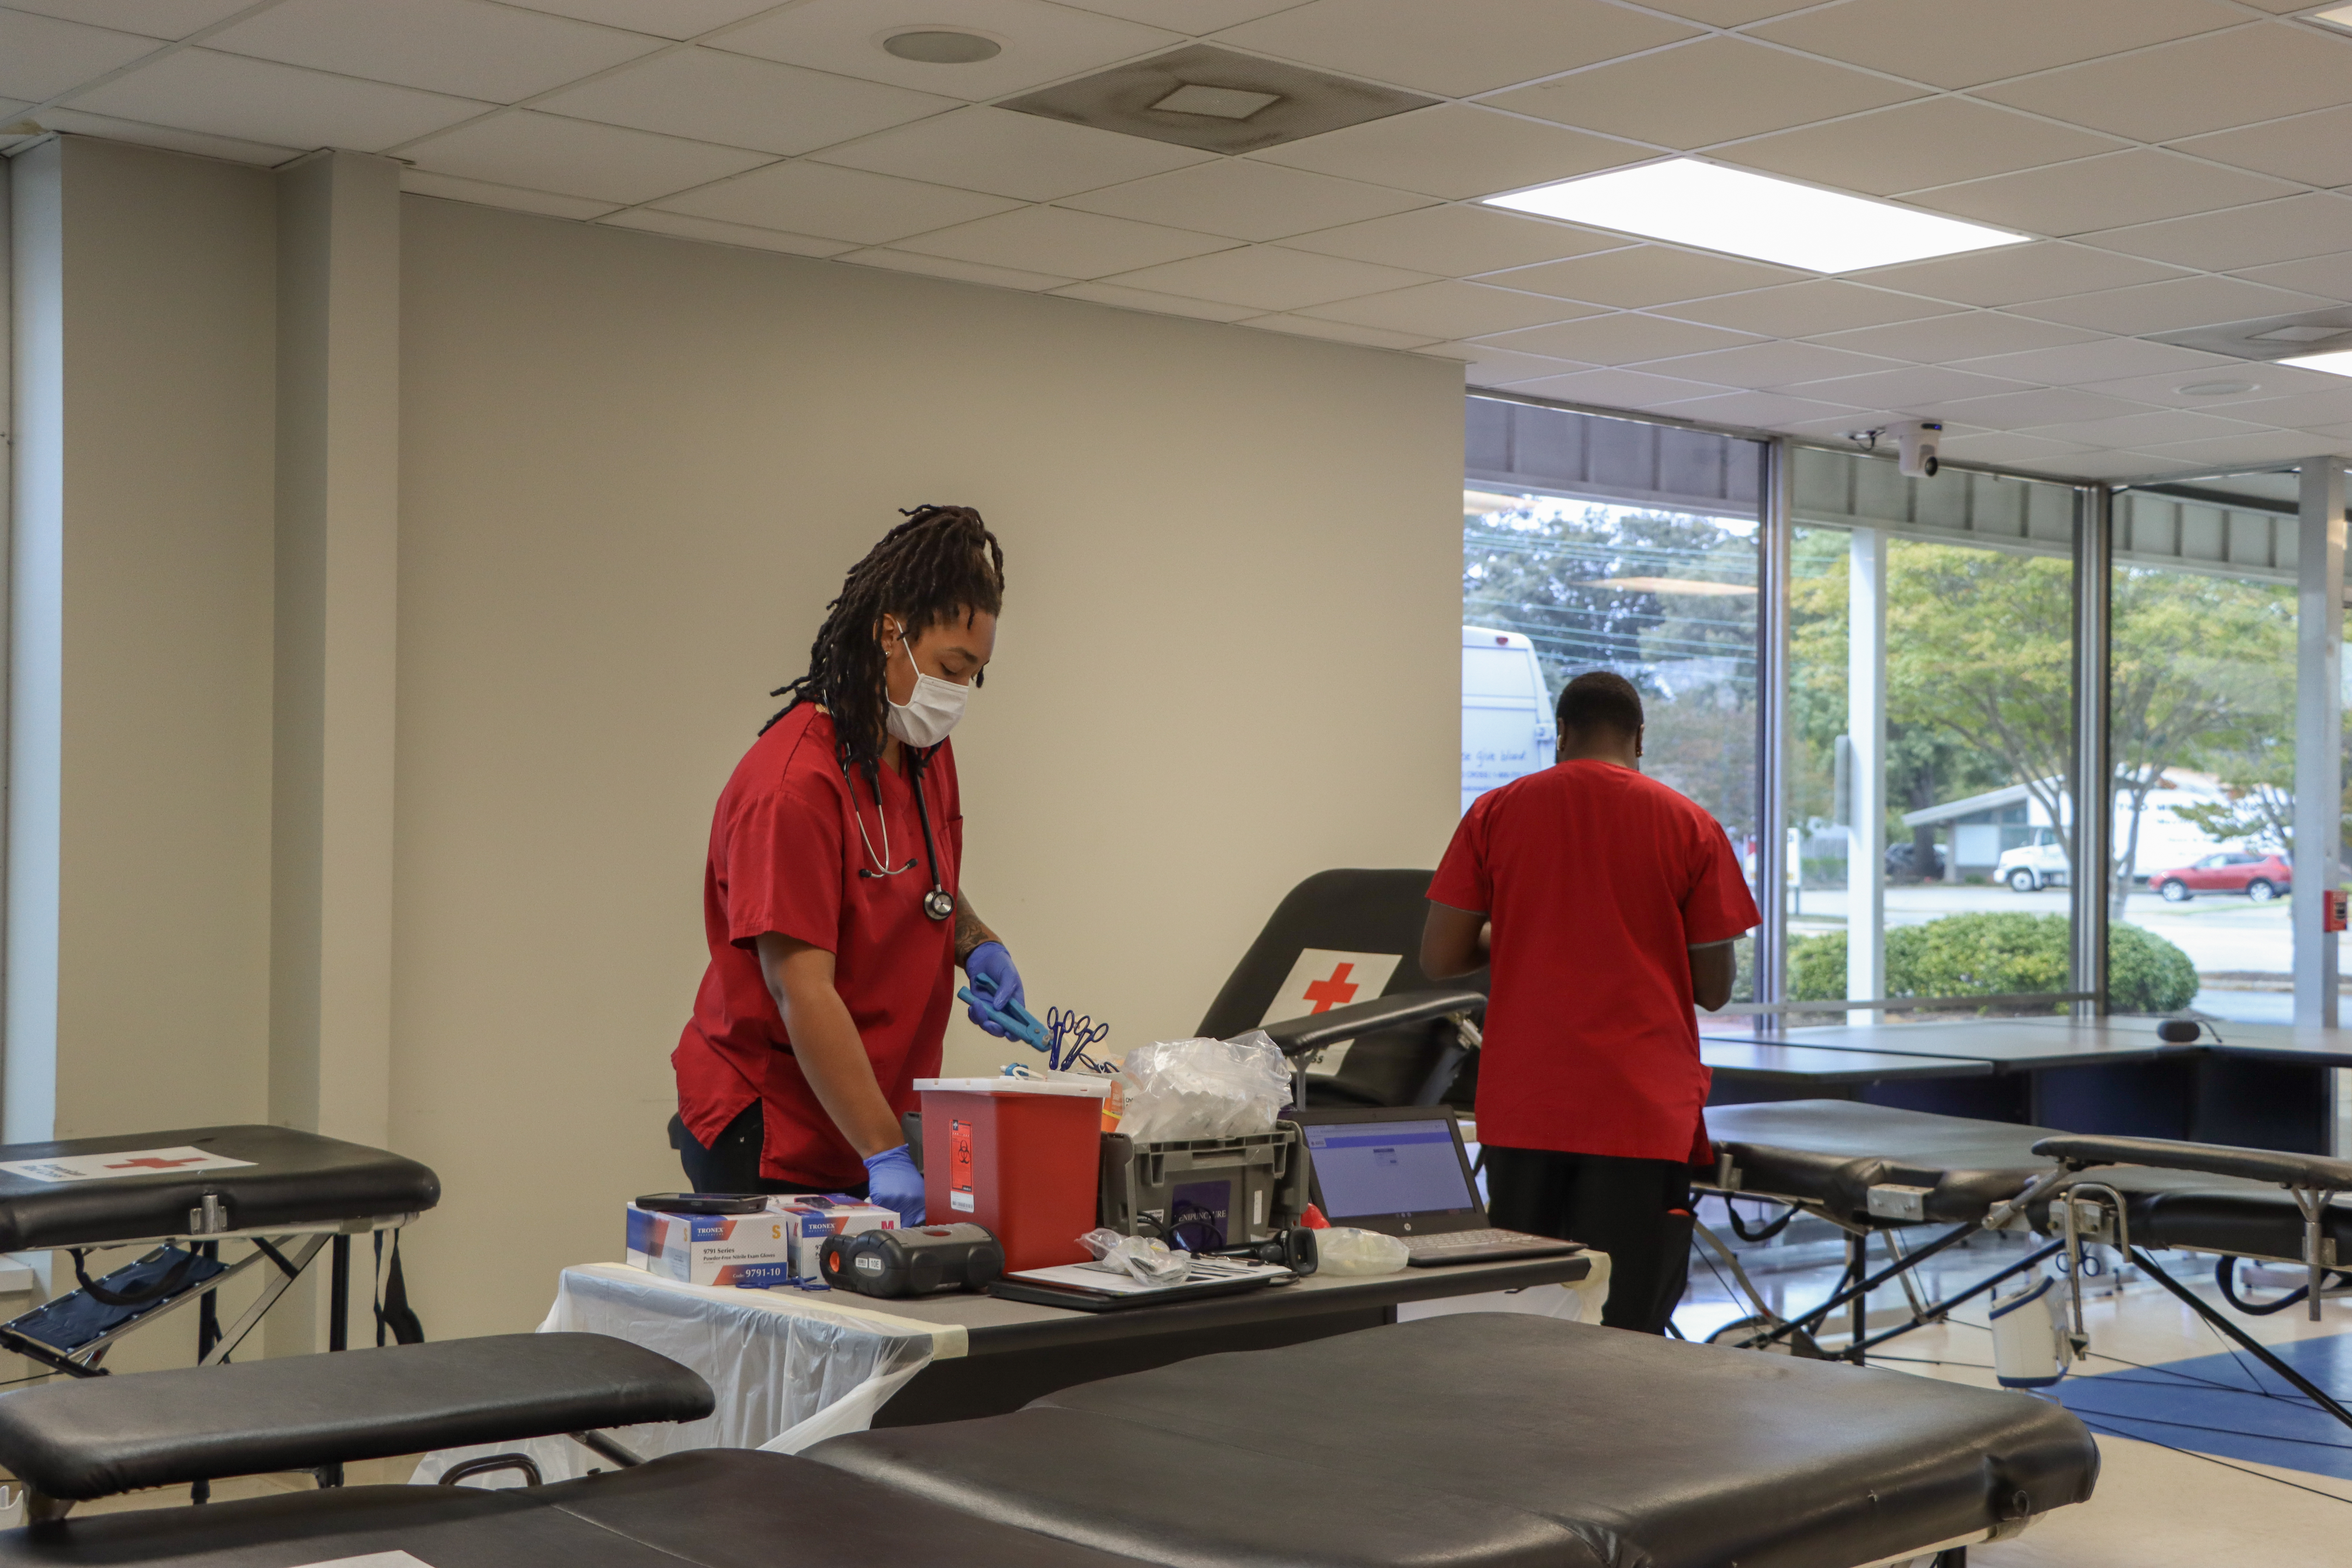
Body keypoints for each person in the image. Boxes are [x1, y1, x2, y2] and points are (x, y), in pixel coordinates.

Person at [670, 505, 1028, 1224]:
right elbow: (801, 990)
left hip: (864, 1117)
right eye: (952, 668)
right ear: (889, 630)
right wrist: (885, 1152)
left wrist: (976, 943)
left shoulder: (921, 751)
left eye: (974, 676)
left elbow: (919, 878)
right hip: (773, 1126)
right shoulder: (793, 788)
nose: (956, 696)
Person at [1420, 670, 1759, 1333]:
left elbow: (1441, 956)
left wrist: (1522, 927)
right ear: (1640, 737)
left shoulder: (1496, 811)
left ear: (1561, 735)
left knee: (1524, 1317)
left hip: (1528, 1109)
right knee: (1628, 1324)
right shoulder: (1690, 823)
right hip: (1638, 1111)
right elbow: (1716, 989)